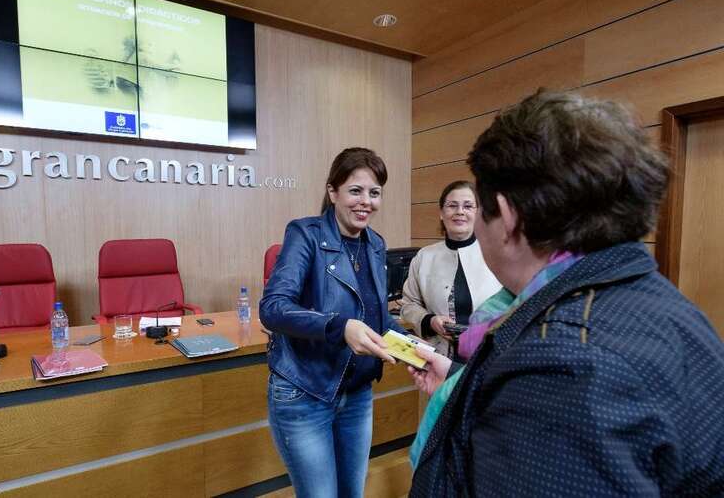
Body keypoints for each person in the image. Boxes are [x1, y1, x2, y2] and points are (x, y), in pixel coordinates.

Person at [409, 90, 724, 496]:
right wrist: (461, 382)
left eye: (479, 210)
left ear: (507, 217)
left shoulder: (559, 365)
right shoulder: (660, 304)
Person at [260, 147, 406, 498]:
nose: (366, 202)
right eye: (355, 190)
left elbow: (379, 318)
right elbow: (273, 308)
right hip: (305, 391)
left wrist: (413, 347)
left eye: (374, 193)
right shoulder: (305, 234)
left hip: (357, 394)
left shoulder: (375, 244)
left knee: (352, 493)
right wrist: (339, 327)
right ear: (333, 192)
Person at [400, 180, 500, 359]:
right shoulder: (424, 256)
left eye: (468, 206)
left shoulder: (497, 253)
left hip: (489, 356)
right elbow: (408, 305)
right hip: (440, 356)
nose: (460, 211)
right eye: (452, 205)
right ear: (441, 213)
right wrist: (430, 321)